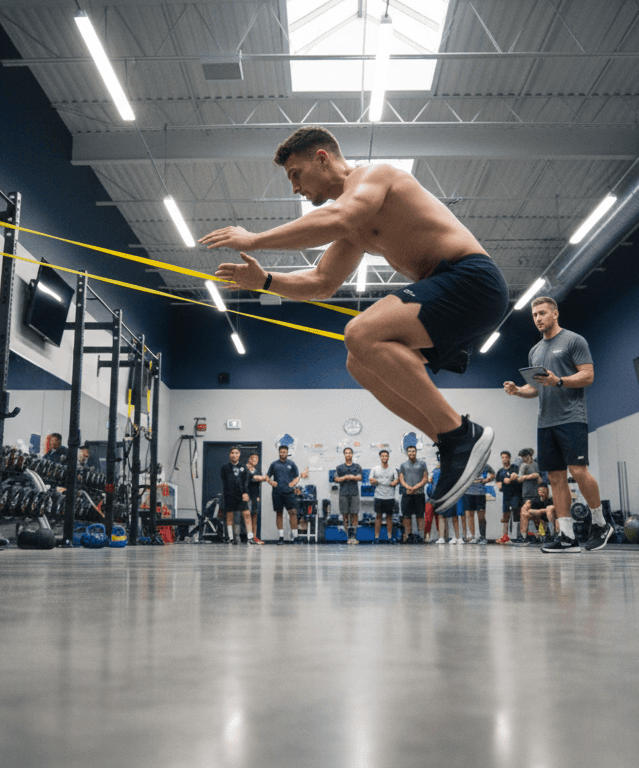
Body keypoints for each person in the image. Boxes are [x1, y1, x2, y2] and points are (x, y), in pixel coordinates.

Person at [203, 126, 506, 514]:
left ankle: (460, 434)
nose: (295, 188)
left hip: (472, 281)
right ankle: (450, 442)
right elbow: (322, 282)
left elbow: (342, 216)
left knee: (360, 332)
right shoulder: (354, 227)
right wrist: (264, 281)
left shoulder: (372, 177)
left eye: (296, 174)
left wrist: (254, 238)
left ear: (322, 158)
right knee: (358, 360)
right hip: (453, 293)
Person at [503, 297, 610, 553]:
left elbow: (588, 375)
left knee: (578, 470)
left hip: (571, 417)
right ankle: (567, 535)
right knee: (554, 477)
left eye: (542, 313)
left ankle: (600, 524)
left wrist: (559, 381)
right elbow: (537, 387)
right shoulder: (535, 350)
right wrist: (518, 390)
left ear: (555, 314)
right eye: (534, 315)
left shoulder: (574, 340)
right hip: (546, 421)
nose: (538, 318)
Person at [220, 446, 261, 544]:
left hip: (241, 495)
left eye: (236, 453)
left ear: (239, 455)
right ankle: (230, 538)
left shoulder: (243, 467)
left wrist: (245, 493)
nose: (234, 455)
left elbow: (246, 482)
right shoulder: (225, 467)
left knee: (247, 514)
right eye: (232, 453)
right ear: (230, 455)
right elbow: (225, 481)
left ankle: (250, 538)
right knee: (229, 516)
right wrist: (228, 494)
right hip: (229, 495)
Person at [267, 445, 301, 543]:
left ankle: (295, 536)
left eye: (284, 452)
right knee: (279, 513)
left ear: (287, 453)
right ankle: (281, 537)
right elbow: (267, 477)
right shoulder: (274, 464)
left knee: (293, 513)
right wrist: (271, 482)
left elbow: (297, 477)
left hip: (289, 493)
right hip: (277, 493)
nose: (283, 453)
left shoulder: (291, 464)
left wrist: (293, 483)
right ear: (279, 452)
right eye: (281, 452)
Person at [397, 444, 429, 543]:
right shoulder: (403, 465)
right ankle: (407, 536)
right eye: (410, 451)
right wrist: (408, 487)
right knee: (406, 516)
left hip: (419, 494)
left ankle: (421, 536)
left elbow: (425, 478)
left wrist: (415, 487)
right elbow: (401, 479)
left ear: (416, 452)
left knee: (420, 515)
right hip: (407, 494)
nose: (412, 453)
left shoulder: (422, 464)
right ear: (407, 453)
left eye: (413, 451)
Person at [334, 447, 364, 544]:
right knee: (345, 515)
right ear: (344, 455)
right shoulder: (339, 467)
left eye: (350, 453)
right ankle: (348, 536)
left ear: (352, 454)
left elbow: (360, 478)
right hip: (343, 494)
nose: (348, 454)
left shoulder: (357, 466)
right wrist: (345, 477)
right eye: (346, 453)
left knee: (354, 514)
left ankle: (353, 536)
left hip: (354, 494)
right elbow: (336, 479)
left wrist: (352, 477)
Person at [369, 449, 399, 543]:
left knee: (389, 517)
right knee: (378, 516)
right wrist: (374, 481)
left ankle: (389, 538)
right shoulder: (375, 469)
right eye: (383, 456)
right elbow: (371, 480)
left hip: (390, 497)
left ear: (388, 457)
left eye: (386, 456)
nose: (384, 457)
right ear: (380, 457)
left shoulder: (393, 470)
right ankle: (376, 538)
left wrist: (394, 482)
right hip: (379, 496)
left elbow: (396, 481)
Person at [495, 451, 522, 544]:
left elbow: (518, 477)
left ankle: (518, 536)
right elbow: (498, 484)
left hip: (516, 495)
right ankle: (505, 536)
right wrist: (501, 484)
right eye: (502, 457)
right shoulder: (500, 472)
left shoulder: (515, 467)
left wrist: (512, 478)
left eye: (506, 457)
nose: (504, 459)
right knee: (505, 516)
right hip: (506, 496)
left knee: (516, 513)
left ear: (509, 458)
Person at [463, 462, 494, 543]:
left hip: (480, 493)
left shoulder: (485, 465)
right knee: (470, 514)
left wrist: (486, 480)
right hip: (468, 493)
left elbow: (493, 474)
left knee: (481, 515)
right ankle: (473, 537)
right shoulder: (467, 464)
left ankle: (483, 537)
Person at [515, 448, 541, 543]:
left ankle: (540, 535)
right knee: (524, 514)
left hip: (537, 494)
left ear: (529, 456)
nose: (524, 459)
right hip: (527, 494)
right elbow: (519, 478)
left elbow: (539, 477)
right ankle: (523, 535)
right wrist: (530, 476)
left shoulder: (536, 464)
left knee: (537, 516)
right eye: (522, 457)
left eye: (525, 456)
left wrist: (539, 479)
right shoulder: (523, 466)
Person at [246, 452, 265, 541]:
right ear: (249, 459)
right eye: (253, 458)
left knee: (255, 515)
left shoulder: (257, 469)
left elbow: (259, 479)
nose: (255, 460)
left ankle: (254, 536)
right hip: (246, 495)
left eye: (257, 458)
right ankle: (248, 537)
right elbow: (253, 478)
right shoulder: (245, 469)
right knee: (247, 516)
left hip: (255, 496)